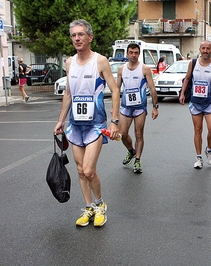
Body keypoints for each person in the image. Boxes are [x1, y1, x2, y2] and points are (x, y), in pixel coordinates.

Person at [53, 19, 121, 227]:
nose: (77, 38)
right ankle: (89, 208)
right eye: (73, 35)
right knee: (81, 169)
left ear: (90, 37)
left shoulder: (100, 61)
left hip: (96, 125)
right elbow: (69, 93)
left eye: (81, 34)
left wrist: (114, 121)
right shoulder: (69, 63)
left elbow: (115, 90)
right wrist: (60, 121)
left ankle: (100, 205)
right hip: (75, 125)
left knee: (89, 170)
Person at [179, 40, 211, 169]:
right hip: (195, 103)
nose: (205, 51)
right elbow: (187, 79)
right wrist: (182, 93)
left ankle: (209, 149)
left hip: (210, 103)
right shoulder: (193, 63)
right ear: (200, 49)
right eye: (203, 48)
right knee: (198, 130)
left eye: (208, 48)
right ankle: (198, 157)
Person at [116, 43, 159, 173]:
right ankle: (131, 151)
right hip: (125, 106)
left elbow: (152, 88)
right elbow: (116, 89)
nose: (133, 55)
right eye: (131, 52)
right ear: (127, 53)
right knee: (122, 134)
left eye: (136, 53)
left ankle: (138, 161)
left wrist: (155, 107)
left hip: (140, 107)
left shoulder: (144, 69)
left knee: (138, 134)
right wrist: (114, 107)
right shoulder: (121, 69)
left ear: (139, 54)